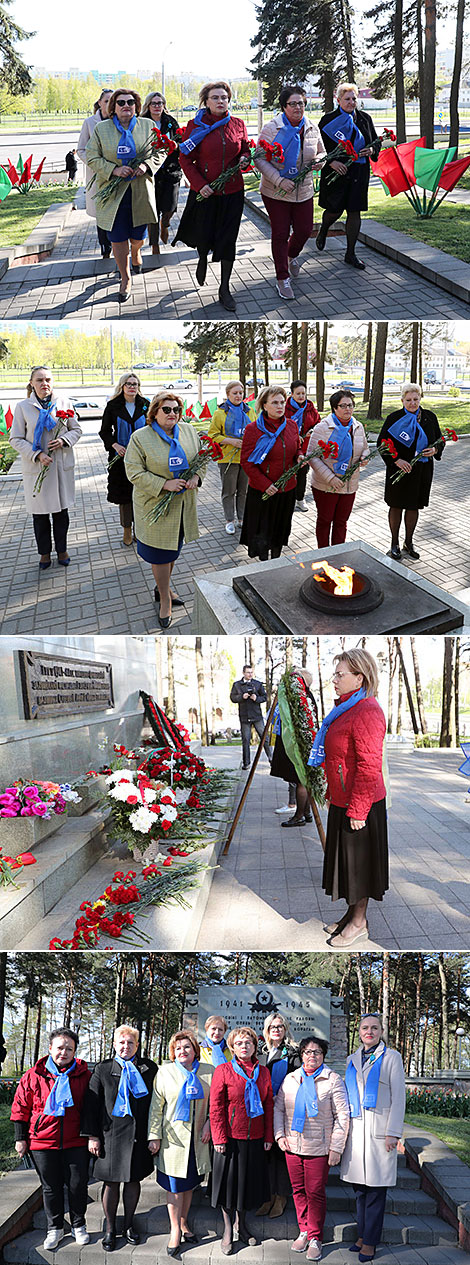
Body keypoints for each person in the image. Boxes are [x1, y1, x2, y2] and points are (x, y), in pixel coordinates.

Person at [308, 649, 388, 949]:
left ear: (360, 676)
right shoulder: (345, 708)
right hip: (344, 798)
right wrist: (333, 793)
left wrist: (358, 810)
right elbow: (339, 758)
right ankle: (349, 914)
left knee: (359, 869)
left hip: (361, 805)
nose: (334, 680)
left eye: (340, 674)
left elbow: (369, 766)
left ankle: (359, 923)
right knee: (347, 866)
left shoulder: (367, 710)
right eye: (335, 674)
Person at [124, 391, 203, 629]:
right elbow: (133, 472)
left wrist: (197, 476)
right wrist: (164, 484)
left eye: (176, 409)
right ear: (155, 412)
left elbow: (202, 459)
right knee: (159, 554)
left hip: (182, 506)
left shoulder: (188, 431)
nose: (172, 414)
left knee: (172, 550)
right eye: (166, 409)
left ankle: (162, 588)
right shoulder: (141, 437)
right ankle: (165, 599)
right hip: (154, 505)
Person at [11, 1028, 91, 1251]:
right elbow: (21, 1107)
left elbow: (90, 1108)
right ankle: (54, 1227)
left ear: (75, 1051)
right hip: (42, 1141)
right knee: (50, 1187)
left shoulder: (84, 1075)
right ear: (50, 1049)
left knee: (77, 1184)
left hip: (76, 1141)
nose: (64, 1052)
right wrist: (21, 1138)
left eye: (69, 1049)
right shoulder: (34, 1074)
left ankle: (78, 1224)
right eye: (60, 1048)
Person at [175, 81, 252, 311]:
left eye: (224, 97)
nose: (221, 101)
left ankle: (224, 288)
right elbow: (185, 159)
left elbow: (245, 149)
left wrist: (245, 159)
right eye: (215, 98)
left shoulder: (237, 124)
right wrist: (199, 185)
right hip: (206, 192)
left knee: (228, 239)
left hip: (233, 192)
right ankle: (202, 257)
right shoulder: (195, 126)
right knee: (204, 233)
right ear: (206, 102)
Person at [274, 1034, 350, 1262]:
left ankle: (316, 1236)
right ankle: (304, 1230)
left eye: (317, 1052)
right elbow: (279, 1109)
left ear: (323, 1055)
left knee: (315, 1192)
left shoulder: (333, 1079)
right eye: (307, 1052)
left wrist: (336, 1147)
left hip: (319, 1148)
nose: (312, 1056)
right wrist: (279, 1135)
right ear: (302, 1055)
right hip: (292, 1146)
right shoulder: (291, 1079)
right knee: (297, 1190)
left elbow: (342, 1115)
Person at [83, 1025, 158, 1252]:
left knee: (133, 1180)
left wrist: (154, 1135)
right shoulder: (103, 1069)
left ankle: (128, 1225)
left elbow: (156, 1104)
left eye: (131, 1043)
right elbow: (91, 1105)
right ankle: (110, 1228)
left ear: (137, 1045)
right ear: (115, 1044)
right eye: (122, 1042)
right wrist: (92, 1136)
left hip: (138, 1136)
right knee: (111, 1183)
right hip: (110, 1137)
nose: (126, 1047)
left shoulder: (148, 1068)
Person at [86, 88, 163, 301]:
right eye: (121, 102)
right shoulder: (102, 129)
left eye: (130, 102)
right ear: (114, 107)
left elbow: (161, 150)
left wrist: (147, 165)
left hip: (139, 190)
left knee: (137, 236)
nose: (126, 105)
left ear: (137, 106)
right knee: (118, 238)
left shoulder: (148, 126)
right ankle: (125, 278)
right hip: (113, 193)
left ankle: (137, 253)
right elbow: (91, 155)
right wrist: (114, 170)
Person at [341, 1013, 406, 1262]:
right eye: (365, 1027)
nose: (370, 1031)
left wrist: (393, 1133)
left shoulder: (392, 1058)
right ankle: (362, 1234)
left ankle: (370, 1241)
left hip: (380, 1133)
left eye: (374, 1028)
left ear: (381, 1031)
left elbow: (399, 1098)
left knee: (376, 1191)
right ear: (359, 1032)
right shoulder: (352, 1059)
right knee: (360, 1190)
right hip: (357, 1132)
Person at [255, 84, 325, 300]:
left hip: (303, 190)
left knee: (304, 230)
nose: (298, 107)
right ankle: (282, 278)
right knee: (280, 233)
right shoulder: (271, 129)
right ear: (284, 107)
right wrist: (278, 180)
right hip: (275, 192)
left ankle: (291, 255)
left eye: (301, 103)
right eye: (293, 104)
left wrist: (319, 163)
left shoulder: (312, 127)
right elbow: (259, 157)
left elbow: (322, 153)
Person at [10, 365, 82, 571]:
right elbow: (15, 438)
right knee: (40, 516)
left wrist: (64, 440)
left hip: (60, 468)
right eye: (40, 380)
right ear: (32, 383)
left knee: (61, 513)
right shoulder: (23, 407)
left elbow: (76, 429)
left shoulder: (64, 403)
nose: (45, 384)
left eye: (48, 380)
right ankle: (44, 553)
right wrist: (37, 454)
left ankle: (62, 550)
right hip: (38, 469)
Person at [210, 1026, 274, 1254]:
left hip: (255, 1138)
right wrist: (218, 1137)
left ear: (255, 1047)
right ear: (232, 1047)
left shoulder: (263, 1072)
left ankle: (242, 1225)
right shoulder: (224, 1070)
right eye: (239, 1043)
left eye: (248, 1043)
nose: (244, 1046)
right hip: (228, 1139)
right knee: (229, 1188)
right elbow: (216, 1106)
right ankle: (228, 1230)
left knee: (246, 1187)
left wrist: (268, 1135)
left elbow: (268, 1104)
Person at [148, 1029, 212, 1255]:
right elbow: (156, 1107)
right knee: (175, 1187)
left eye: (187, 1047)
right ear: (173, 1053)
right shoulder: (164, 1072)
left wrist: (210, 1123)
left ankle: (184, 1223)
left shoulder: (209, 1072)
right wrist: (154, 1135)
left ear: (195, 1050)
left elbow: (216, 1103)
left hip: (199, 1140)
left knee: (189, 1185)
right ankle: (175, 1229)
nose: (182, 1051)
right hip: (173, 1140)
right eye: (178, 1048)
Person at [317, 83, 381, 270]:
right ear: (338, 100)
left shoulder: (364, 119)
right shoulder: (328, 120)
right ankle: (324, 229)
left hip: (359, 172)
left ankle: (350, 253)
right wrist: (331, 162)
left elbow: (375, 142)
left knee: (355, 211)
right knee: (334, 210)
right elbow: (319, 147)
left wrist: (371, 149)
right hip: (336, 172)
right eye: (347, 99)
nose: (351, 102)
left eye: (354, 99)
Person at [377, 382, 444, 562]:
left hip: (421, 470)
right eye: (408, 400)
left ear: (420, 398)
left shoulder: (429, 417)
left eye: (416, 399)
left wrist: (435, 450)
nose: (412, 403)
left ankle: (409, 542)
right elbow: (382, 444)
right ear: (402, 400)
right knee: (396, 505)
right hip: (398, 470)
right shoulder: (394, 418)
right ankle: (394, 543)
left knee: (413, 506)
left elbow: (439, 440)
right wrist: (396, 460)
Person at [240, 386, 300, 561]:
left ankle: (276, 562)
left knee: (279, 532)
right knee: (263, 533)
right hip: (262, 491)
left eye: (282, 402)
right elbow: (247, 462)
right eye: (274, 402)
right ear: (264, 405)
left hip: (287, 489)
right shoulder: (253, 429)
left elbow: (296, 449)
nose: (280, 406)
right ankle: (264, 565)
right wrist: (265, 485)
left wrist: (300, 455)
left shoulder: (292, 425)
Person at [306, 389, 369, 547]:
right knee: (325, 521)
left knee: (341, 522)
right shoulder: (323, 428)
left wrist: (365, 457)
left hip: (349, 485)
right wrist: (331, 478)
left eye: (350, 405)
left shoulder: (357, 426)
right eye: (343, 406)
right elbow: (312, 456)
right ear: (334, 408)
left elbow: (365, 448)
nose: (348, 409)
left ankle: (338, 554)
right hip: (326, 485)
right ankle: (323, 554)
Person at [257, 1013, 301, 1219]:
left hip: (284, 1110)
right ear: (266, 1029)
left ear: (285, 1029)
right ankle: (267, 1196)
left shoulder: (292, 1053)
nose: (276, 1029)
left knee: (280, 1154)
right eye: (272, 1026)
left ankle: (281, 1197)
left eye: (280, 1026)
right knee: (265, 1154)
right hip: (261, 1110)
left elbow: (299, 1081)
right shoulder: (259, 1052)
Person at [99, 372, 150, 546]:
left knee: (142, 493)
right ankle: (127, 530)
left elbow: (153, 428)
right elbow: (105, 432)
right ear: (122, 386)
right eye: (128, 383)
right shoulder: (113, 406)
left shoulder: (145, 405)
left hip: (143, 458)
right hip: (120, 459)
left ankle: (140, 530)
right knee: (125, 496)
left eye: (135, 384)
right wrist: (115, 446)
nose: (132, 387)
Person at [271, 667, 318, 828]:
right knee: (302, 779)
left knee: (301, 780)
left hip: (298, 746)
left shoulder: (300, 698)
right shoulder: (305, 696)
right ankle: (306, 812)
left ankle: (299, 816)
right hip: (302, 745)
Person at [208, 382, 256, 534]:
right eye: (235, 393)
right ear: (228, 394)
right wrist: (231, 441)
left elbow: (256, 431)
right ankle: (229, 520)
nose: (238, 396)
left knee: (244, 491)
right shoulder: (220, 413)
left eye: (241, 393)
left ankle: (242, 518)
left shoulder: (250, 411)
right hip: (228, 459)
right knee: (229, 491)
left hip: (246, 458)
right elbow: (213, 435)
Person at [141, 91, 182, 253]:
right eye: (154, 103)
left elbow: (180, 140)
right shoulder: (142, 122)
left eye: (160, 103)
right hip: (151, 173)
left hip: (171, 171)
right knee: (153, 211)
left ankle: (165, 224)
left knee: (170, 208)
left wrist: (174, 145)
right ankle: (154, 246)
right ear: (148, 106)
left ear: (164, 105)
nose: (157, 106)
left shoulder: (170, 122)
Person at [77, 88, 113, 258]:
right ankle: (105, 246)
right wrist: (96, 163)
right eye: (106, 101)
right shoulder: (89, 122)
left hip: (116, 174)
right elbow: (81, 149)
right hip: (96, 175)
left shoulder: (118, 121)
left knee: (116, 209)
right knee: (102, 211)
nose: (109, 104)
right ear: (99, 103)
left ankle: (117, 244)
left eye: (112, 101)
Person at [285, 380, 321, 512]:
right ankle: (287, 500)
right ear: (292, 393)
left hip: (305, 448)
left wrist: (313, 430)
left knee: (302, 474)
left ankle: (300, 499)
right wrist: (294, 436)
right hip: (289, 447)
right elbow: (281, 425)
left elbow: (318, 422)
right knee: (288, 474)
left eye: (303, 393)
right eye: (298, 393)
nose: (301, 396)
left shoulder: (310, 407)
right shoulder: (285, 407)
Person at [230, 665, 273, 770]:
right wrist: (241, 697)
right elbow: (232, 698)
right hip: (244, 717)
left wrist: (256, 698)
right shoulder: (237, 685)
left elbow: (265, 697)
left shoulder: (258, 684)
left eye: (251, 672)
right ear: (243, 673)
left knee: (265, 738)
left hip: (257, 716)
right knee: (245, 740)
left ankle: (271, 759)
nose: (250, 674)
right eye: (248, 672)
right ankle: (246, 763)